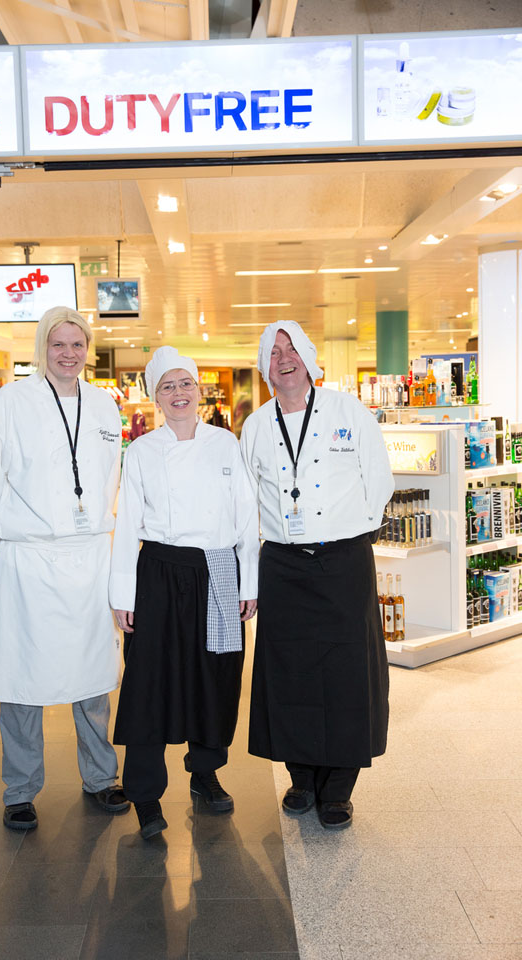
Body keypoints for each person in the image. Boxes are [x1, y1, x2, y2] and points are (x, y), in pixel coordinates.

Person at [0, 306, 129, 831]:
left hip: (89, 559)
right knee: (21, 679)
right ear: (43, 348)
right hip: (29, 561)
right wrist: (1, 539)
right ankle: (20, 789)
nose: (68, 354)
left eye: (77, 344)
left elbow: (111, 476)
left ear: (88, 351)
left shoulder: (103, 406)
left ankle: (101, 778)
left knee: (93, 677)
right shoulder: (9, 403)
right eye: (58, 344)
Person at [240, 321, 394, 830]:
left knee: (348, 675)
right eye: (274, 352)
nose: (284, 359)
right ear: (264, 367)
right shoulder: (256, 426)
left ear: (308, 358)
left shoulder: (350, 412)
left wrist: (351, 535)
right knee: (290, 672)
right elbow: (246, 501)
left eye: (291, 350)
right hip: (283, 565)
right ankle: (301, 777)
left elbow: (379, 481)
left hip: (344, 561)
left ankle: (338, 787)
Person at [109, 346, 259, 839]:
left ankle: (205, 772)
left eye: (186, 384)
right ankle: (145, 794)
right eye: (168, 386)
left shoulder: (226, 444)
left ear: (199, 391)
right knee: (148, 679)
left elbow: (246, 516)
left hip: (217, 569)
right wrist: (122, 594)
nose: (179, 393)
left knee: (214, 676)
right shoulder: (142, 451)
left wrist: (249, 582)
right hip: (158, 570)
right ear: (156, 397)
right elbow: (127, 524)